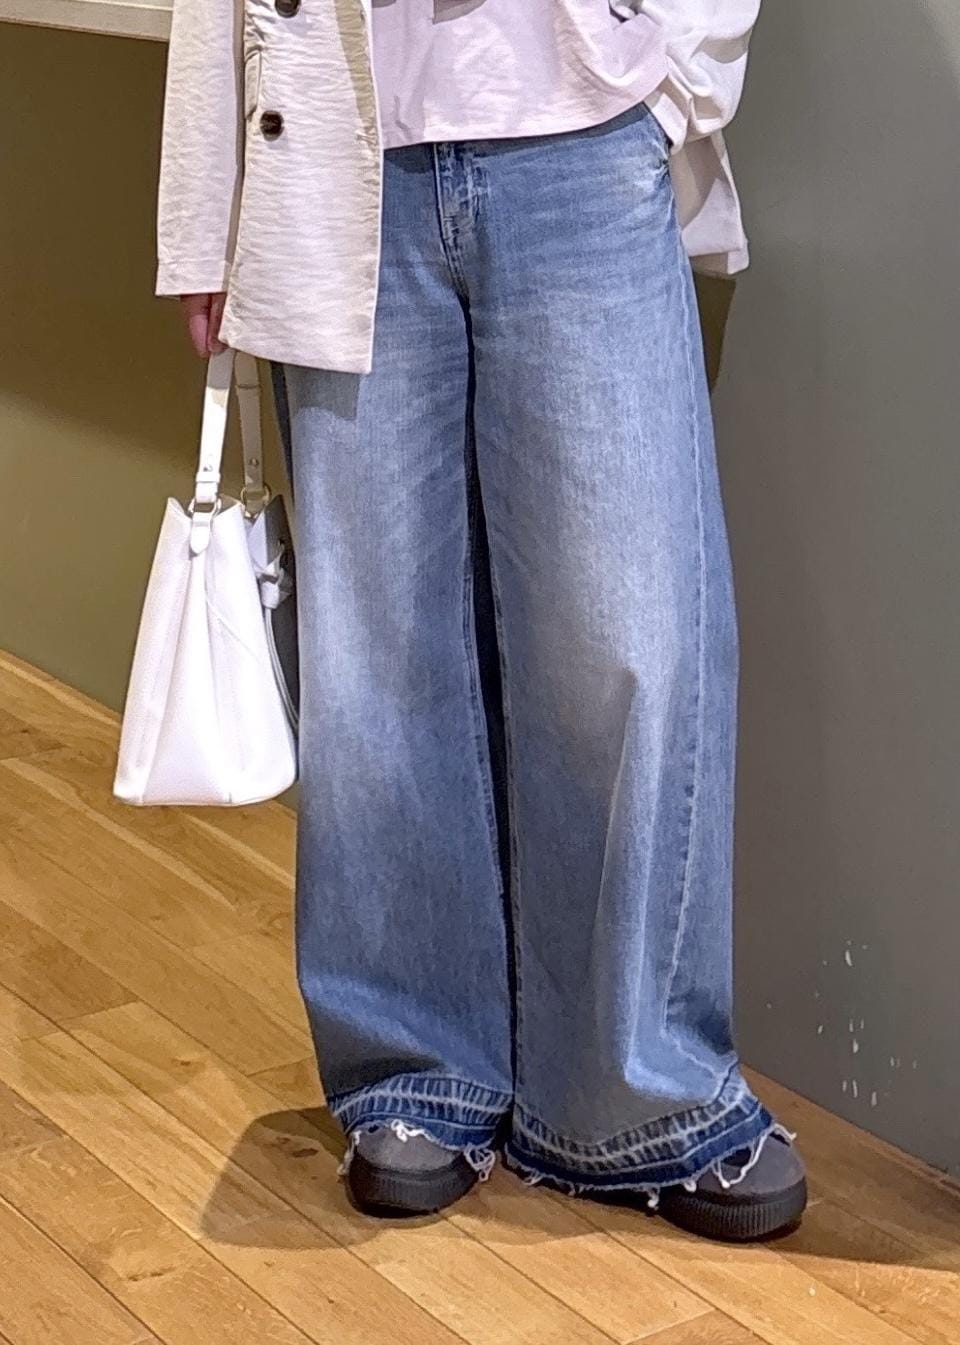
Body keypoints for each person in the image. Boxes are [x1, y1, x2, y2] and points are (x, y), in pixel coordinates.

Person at [156, 0, 807, 1242]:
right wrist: (204, 211)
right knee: (376, 653)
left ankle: (642, 1092)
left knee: (628, 635)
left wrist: (671, 85)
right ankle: (414, 1068)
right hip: (335, 161)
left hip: (585, 130)